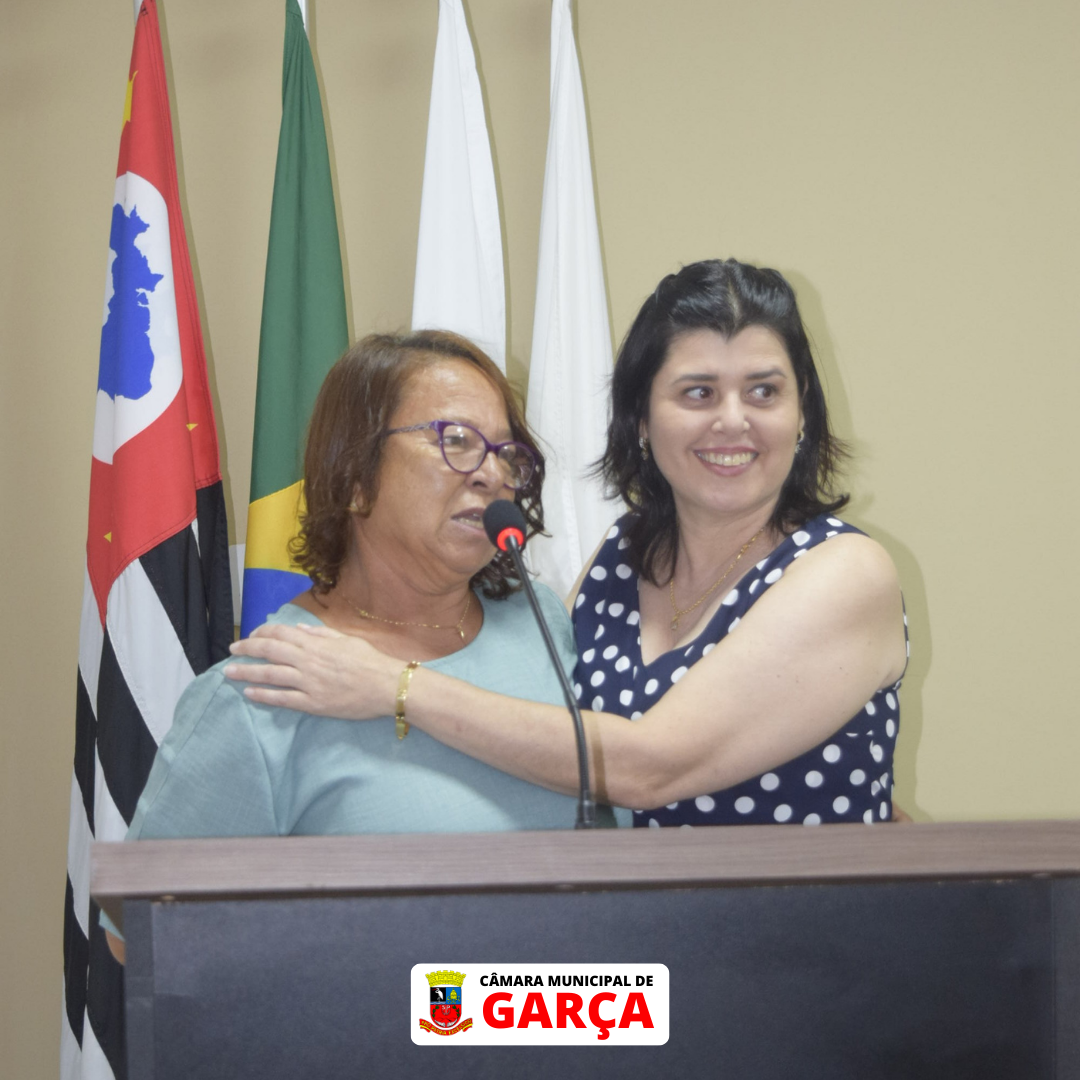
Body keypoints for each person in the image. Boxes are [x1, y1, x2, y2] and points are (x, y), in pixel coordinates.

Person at [227, 259, 908, 828]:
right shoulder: (620, 559)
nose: (733, 421)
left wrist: (394, 686)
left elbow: (647, 769)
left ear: (801, 412)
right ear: (641, 419)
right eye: (698, 392)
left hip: (797, 941)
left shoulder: (845, 572)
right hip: (623, 949)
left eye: (764, 392)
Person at [120, 329, 624, 842]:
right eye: (455, 440)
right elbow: (151, 896)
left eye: (505, 453)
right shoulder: (263, 688)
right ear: (355, 477)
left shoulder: (537, 619)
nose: (493, 474)